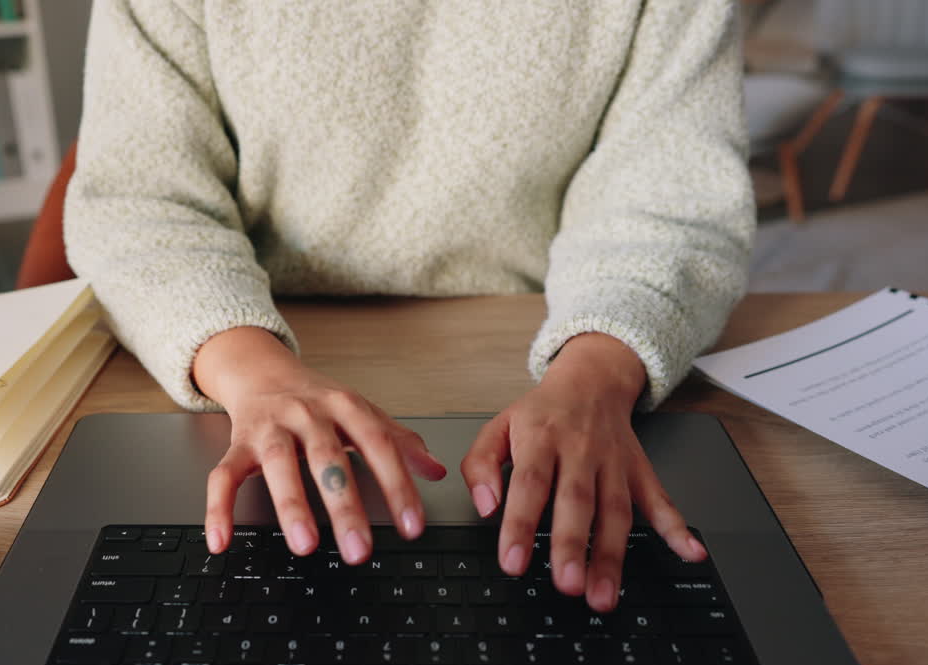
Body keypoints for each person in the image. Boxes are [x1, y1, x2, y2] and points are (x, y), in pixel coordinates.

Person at [65, 0, 754, 613]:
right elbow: (142, 196)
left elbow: (672, 198)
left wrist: (598, 375)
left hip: (550, 340)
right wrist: (253, 372)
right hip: (244, 359)